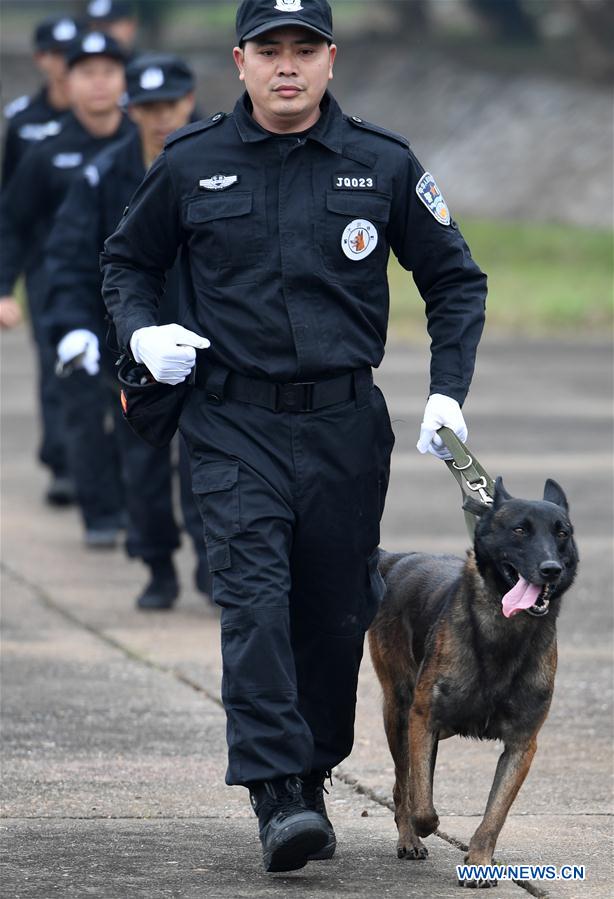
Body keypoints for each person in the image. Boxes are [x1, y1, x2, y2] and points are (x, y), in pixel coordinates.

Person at [101, 0, 486, 873]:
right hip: (232, 422)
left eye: (303, 49)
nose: (287, 65)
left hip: (346, 428)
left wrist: (448, 393)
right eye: (268, 49)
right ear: (238, 61)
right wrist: (141, 333)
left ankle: (308, 770)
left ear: (330, 60)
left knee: (333, 611)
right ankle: (278, 791)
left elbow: (455, 280)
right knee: (254, 600)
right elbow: (128, 261)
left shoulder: (380, 163)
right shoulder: (191, 162)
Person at [45, 53, 211, 609]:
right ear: (130, 110)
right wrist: (73, 329)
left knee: (208, 467)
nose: (161, 117)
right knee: (139, 465)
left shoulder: (225, 161)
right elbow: (68, 259)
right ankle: (156, 563)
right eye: (147, 107)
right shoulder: (102, 176)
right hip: (133, 346)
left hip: (210, 347)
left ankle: (214, 568)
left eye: (169, 105)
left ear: (189, 102)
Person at [0, 32, 134, 540]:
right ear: (67, 80)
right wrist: (3, 288)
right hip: (59, 289)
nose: (99, 83)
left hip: (132, 294)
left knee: (132, 400)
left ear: (123, 80)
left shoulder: (144, 147)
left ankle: (130, 497)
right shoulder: (47, 151)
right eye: (87, 72)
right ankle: (96, 510)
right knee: (74, 395)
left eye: (108, 71)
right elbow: (11, 221)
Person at [2, 14, 83, 186]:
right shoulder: (22, 118)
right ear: (40, 58)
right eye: (58, 53)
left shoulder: (102, 116)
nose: (67, 61)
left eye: (73, 51)